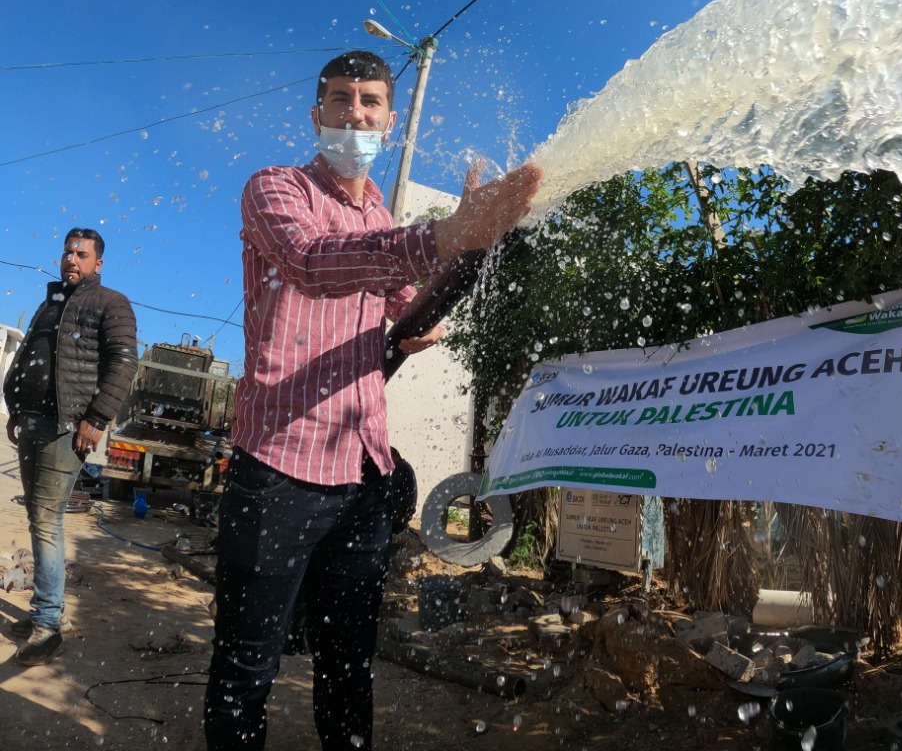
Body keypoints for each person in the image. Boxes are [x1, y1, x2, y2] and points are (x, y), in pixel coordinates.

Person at [203, 50, 542, 751]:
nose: (353, 113)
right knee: (247, 665)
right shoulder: (276, 188)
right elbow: (311, 262)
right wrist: (445, 235)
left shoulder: (383, 217)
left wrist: (440, 289)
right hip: (277, 469)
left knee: (349, 664)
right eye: (339, 99)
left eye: (368, 102)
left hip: (363, 472)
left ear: (389, 120)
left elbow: (405, 299)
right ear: (316, 113)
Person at [3, 228, 138, 666]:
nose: (70, 259)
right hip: (34, 422)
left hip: (67, 428)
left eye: (81, 254)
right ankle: (42, 613)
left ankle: (47, 626)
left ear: (98, 263)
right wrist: (14, 404)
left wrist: (96, 418)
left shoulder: (110, 302)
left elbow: (123, 363)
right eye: (66, 252)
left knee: (46, 523)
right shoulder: (52, 302)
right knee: (38, 518)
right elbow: (29, 356)